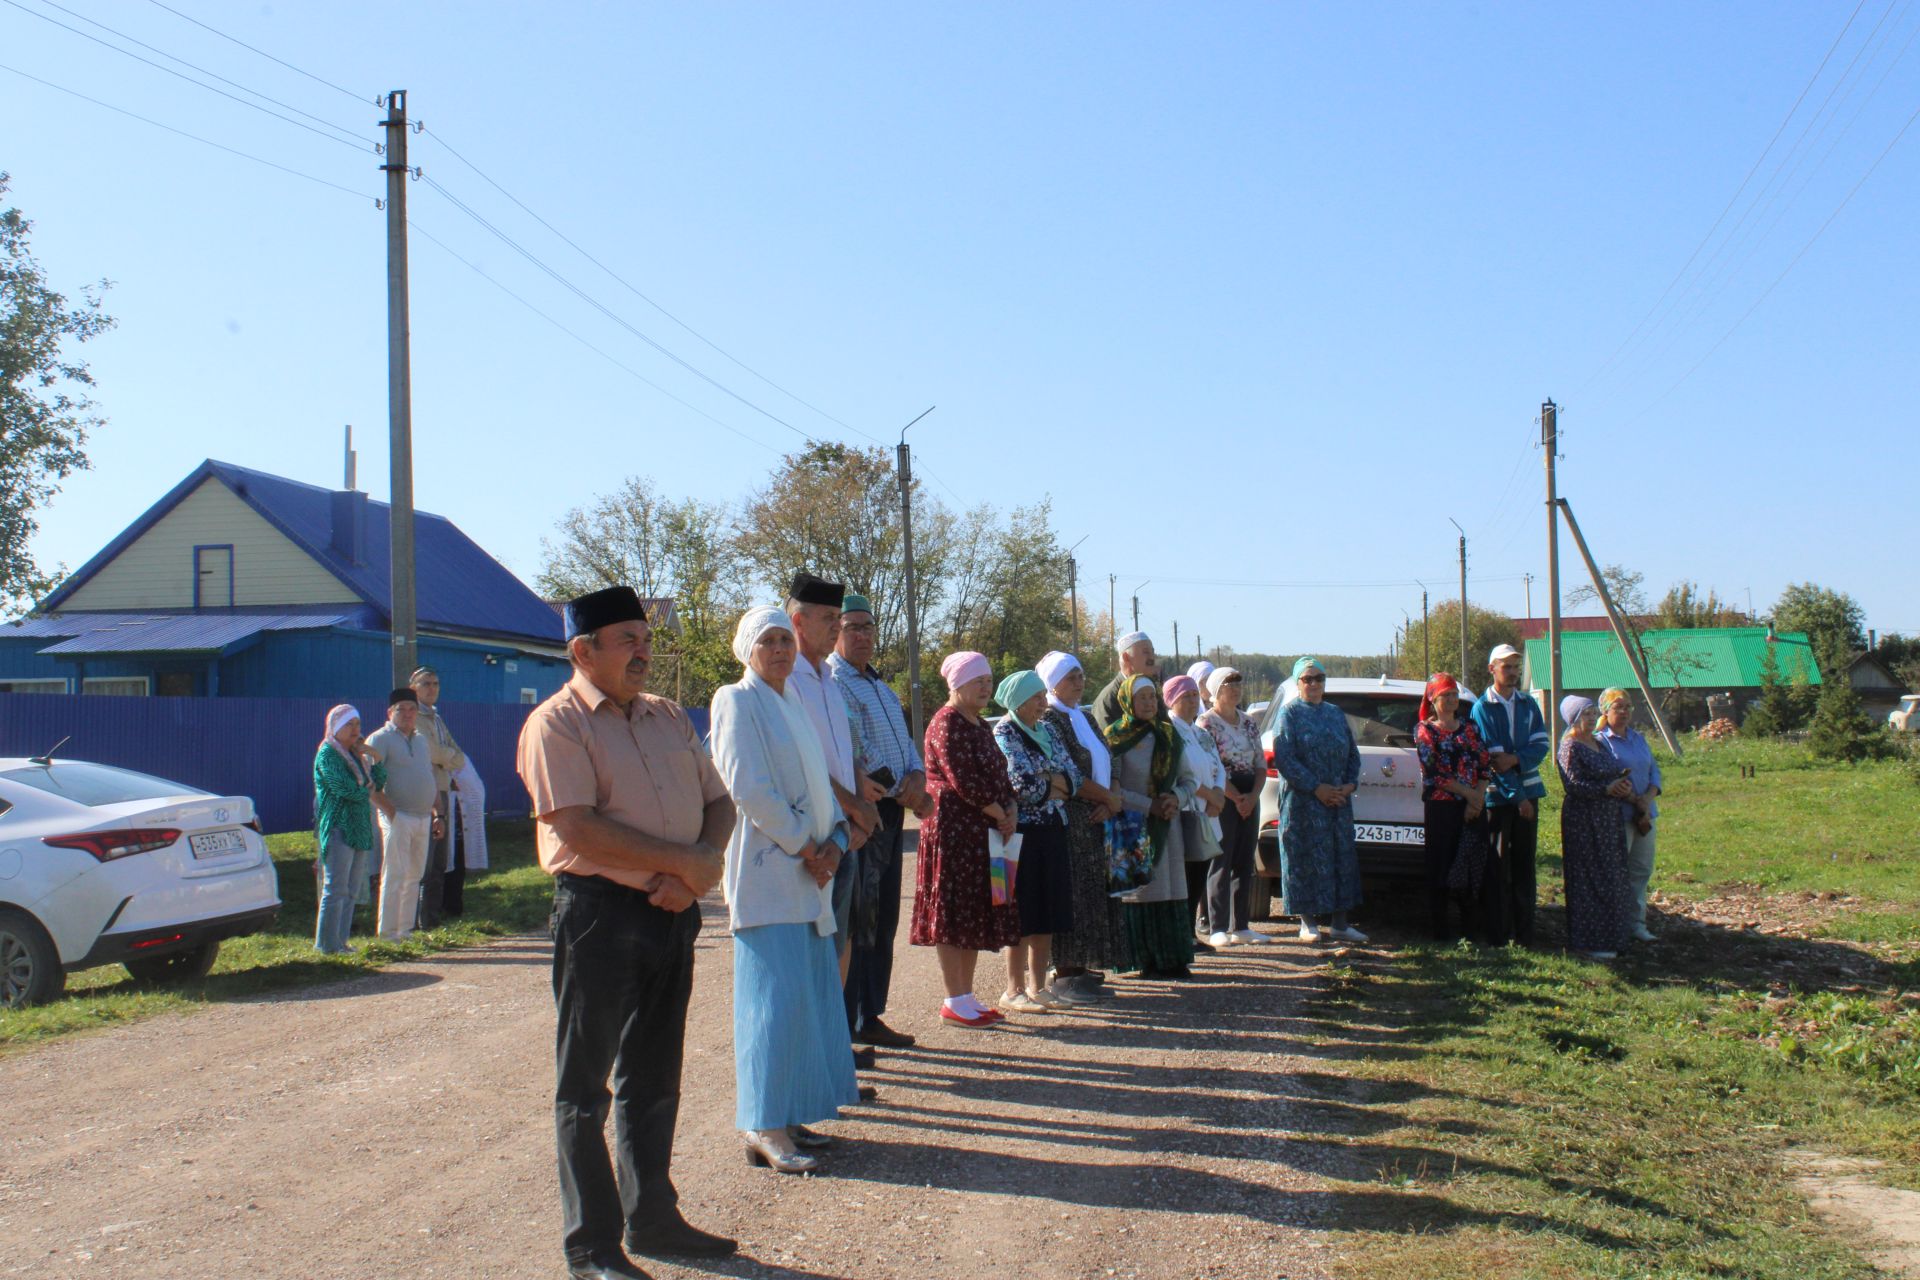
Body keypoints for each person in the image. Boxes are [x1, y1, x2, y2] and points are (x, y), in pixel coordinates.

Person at [517, 586, 737, 1278]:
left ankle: (654, 1218)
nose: (644, 652)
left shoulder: (669, 716)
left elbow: (719, 802)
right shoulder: (556, 724)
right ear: (583, 651)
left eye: (646, 639)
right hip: (599, 917)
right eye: (627, 641)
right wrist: (688, 865)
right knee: (584, 1087)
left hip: (672, 911)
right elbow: (577, 827)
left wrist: (693, 877)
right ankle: (592, 1247)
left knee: (654, 1072)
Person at [709, 606, 859, 1175]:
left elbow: (818, 783)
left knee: (802, 1000)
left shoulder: (790, 701)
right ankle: (761, 1123)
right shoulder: (736, 700)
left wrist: (833, 844)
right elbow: (747, 786)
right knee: (769, 1004)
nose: (779, 650)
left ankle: (787, 1112)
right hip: (771, 871)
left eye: (783, 640)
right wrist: (806, 847)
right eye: (767, 641)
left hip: (810, 870)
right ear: (748, 648)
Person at [828, 591, 932, 1048]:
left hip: (891, 812)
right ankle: (846, 1022)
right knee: (857, 920)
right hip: (860, 813)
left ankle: (871, 1014)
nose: (862, 635)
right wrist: (883, 786)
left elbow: (909, 748)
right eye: (852, 627)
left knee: (883, 917)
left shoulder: (882, 688)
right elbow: (848, 750)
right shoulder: (832, 682)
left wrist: (915, 777)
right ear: (835, 632)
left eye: (868, 627)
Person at [908, 650, 1020, 1027]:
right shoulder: (947, 723)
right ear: (957, 684)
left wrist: (1010, 808)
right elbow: (963, 780)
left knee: (973, 913)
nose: (986, 687)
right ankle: (954, 999)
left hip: (983, 834)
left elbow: (1001, 776)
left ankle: (967, 996)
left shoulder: (979, 725)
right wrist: (999, 812)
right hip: (953, 836)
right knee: (953, 916)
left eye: (988, 680)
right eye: (978, 681)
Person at [784, 574, 880, 978]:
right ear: (797, 623)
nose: (837, 627)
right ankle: (816, 1040)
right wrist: (854, 808)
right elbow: (805, 763)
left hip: (843, 832)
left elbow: (845, 756)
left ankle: (834, 1040)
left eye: (838, 618)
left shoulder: (830, 680)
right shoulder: (786, 680)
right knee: (809, 947)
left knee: (840, 940)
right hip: (809, 837)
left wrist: (858, 809)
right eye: (828, 618)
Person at [1036, 650, 1129, 1003]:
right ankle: (1066, 971)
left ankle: (1084, 967)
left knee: (1094, 897)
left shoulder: (1084, 716)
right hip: (1073, 820)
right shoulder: (1049, 720)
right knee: (1073, 894)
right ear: (1052, 682)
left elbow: (1111, 756)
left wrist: (1113, 796)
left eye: (1080, 676)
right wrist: (1106, 798)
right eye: (1071, 676)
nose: (1079, 682)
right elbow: (1067, 773)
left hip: (1099, 817)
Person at [991, 669, 1079, 1013]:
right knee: (1022, 911)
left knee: (1049, 910)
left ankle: (1037, 987)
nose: (1044, 703)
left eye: (1043, 696)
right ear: (1018, 701)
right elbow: (1021, 786)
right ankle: (1013, 989)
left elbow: (1074, 776)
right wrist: (1052, 783)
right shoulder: (1005, 732)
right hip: (1021, 834)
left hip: (1054, 827)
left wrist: (1053, 781)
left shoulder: (1048, 729)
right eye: (1036, 697)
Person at [1106, 675, 1197, 979]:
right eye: (1141, 697)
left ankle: (1173, 958)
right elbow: (1113, 789)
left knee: (1171, 888)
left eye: (1152, 697)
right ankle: (1145, 959)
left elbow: (1188, 780)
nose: (1148, 703)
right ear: (1127, 701)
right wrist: (1149, 806)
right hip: (1132, 827)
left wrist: (1175, 798)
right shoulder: (1115, 738)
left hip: (1167, 826)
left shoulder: (1169, 736)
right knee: (1142, 892)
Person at [1271, 657, 1365, 945]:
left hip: (1337, 801)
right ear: (1298, 683)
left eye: (1319, 678)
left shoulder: (1336, 713)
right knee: (1303, 858)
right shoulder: (1289, 714)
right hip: (1304, 802)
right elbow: (1285, 758)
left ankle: (1340, 923)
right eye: (1307, 679)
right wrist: (1316, 787)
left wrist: (1348, 785)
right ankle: (1307, 922)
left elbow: (1352, 753)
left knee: (1341, 859)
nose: (1313, 684)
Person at [1470, 643, 1550, 946]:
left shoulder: (1528, 704)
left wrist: (1516, 759)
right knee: (1498, 866)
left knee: (1525, 864)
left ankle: (1526, 933)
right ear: (1493, 669)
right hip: (1500, 799)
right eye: (1507, 666)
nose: (1514, 672)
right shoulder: (1483, 707)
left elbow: (1540, 744)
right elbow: (1493, 757)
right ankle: (1499, 934)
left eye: (1517, 666)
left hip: (1529, 794)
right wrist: (1518, 798)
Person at [1556, 695, 1636, 961]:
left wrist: (1620, 784)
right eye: (1585, 714)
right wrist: (1605, 789)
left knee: (1611, 874)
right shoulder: (1570, 746)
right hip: (1584, 820)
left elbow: (1612, 771)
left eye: (1592, 713)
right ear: (1573, 719)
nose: (1590, 718)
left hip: (1608, 818)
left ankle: (1615, 936)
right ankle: (1590, 941)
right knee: (1590, 877)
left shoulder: (1599, 742)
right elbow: (1573, 785)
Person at [1199, 666, 1272, 946]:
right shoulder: (1206, 723)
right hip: (1222, 795)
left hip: (1249, 792)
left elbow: (1260, 764)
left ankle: (1241, 925)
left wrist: (1252, 796)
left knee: (1244, 858)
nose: (1236, 688)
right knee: (1221, 857)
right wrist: (1234, 797)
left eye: (1239, 683)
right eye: (1230, 684)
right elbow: (1210, 765)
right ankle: (1217, 926)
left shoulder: (1249, 722)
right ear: (1217, 689)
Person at [364, 687, 444, 941]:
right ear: (390, 712)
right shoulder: (379, 739)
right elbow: (369, 783)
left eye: (412, 709)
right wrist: (391, 813)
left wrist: (438, 814)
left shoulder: (421, 740)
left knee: (414, 875)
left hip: (423, 817)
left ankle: (405, 929)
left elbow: (429, 777)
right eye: (402, 709)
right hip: (397, 816)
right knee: (395, 873)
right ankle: (387, 933)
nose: (408, 714)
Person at [1415, 673, 1491, 941]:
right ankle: (1441, 932)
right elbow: (1434, 772)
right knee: (1441, 867)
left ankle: (1471, 931)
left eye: (1453, 694)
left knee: (1473, 867)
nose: (1450, 699)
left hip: (1473, 809)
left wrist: (1477, 799)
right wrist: (1469, 795)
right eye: (1444, 695)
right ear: (1433, 699)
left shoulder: (1470, 728)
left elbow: (1484, 763)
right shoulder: (1425, 730)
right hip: (1442, 809)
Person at [312, 704, 385, 954]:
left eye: (357, 724)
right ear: (335, 728)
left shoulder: (356, 756)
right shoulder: (328, 754)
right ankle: (326, 944)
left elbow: (378, 782)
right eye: (348, 725)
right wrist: (366, 791)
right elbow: (343, 788)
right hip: (338, 826)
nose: (355, 730)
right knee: (336, 888)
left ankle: (341, 941)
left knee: (352, 889)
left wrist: (375, 757)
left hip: (359, 826)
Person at [1595, 687, 1662, 943]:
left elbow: (1654, 771)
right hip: (1620, 815)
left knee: (1640, 870)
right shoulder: (1601, 741)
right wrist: (1634, 799)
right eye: (1617, 707)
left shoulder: (1638, 738)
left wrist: (1647, 798)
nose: (1623, 712)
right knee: (1617, 871)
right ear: (1605, 711)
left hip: (1645, 814)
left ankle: (1637, 923)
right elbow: (1610, 777)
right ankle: (1615, 923)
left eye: (1627, 707)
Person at [1165, 674, 1226, 950]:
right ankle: (1181, 934)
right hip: (1188, 811)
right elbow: (1181, 772)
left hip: (1209, 812)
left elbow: (1218, 766)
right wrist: (1208, 794)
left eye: (1194, 695)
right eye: (1185, 696)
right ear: (1172, 700)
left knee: (1200, 871)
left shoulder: (1200, 732)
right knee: (1185, 876)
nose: (1192, 701)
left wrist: (1219, 795)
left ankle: (1190, 932)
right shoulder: (1169, 731)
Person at [409, 666, 467, 925]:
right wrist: (449, 758)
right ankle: (418, 918)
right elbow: (431, 752)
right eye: (426, 684)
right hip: (424, 792)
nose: (432, 688)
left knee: (440, 860)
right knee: (426, 859)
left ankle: (431, 918)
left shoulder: (436, 717)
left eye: (435, 683)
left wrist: (449, 758)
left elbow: (459, 755)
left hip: (442, 790)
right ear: (414, 688)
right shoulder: (415, 718)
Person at [1091, 631, 1159, 734]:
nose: (1152, 657)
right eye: (1146, 652)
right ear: (1126, 658)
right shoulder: (1108, 699)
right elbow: (1108, 743)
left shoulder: (1152, 690)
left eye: (1152, 652)